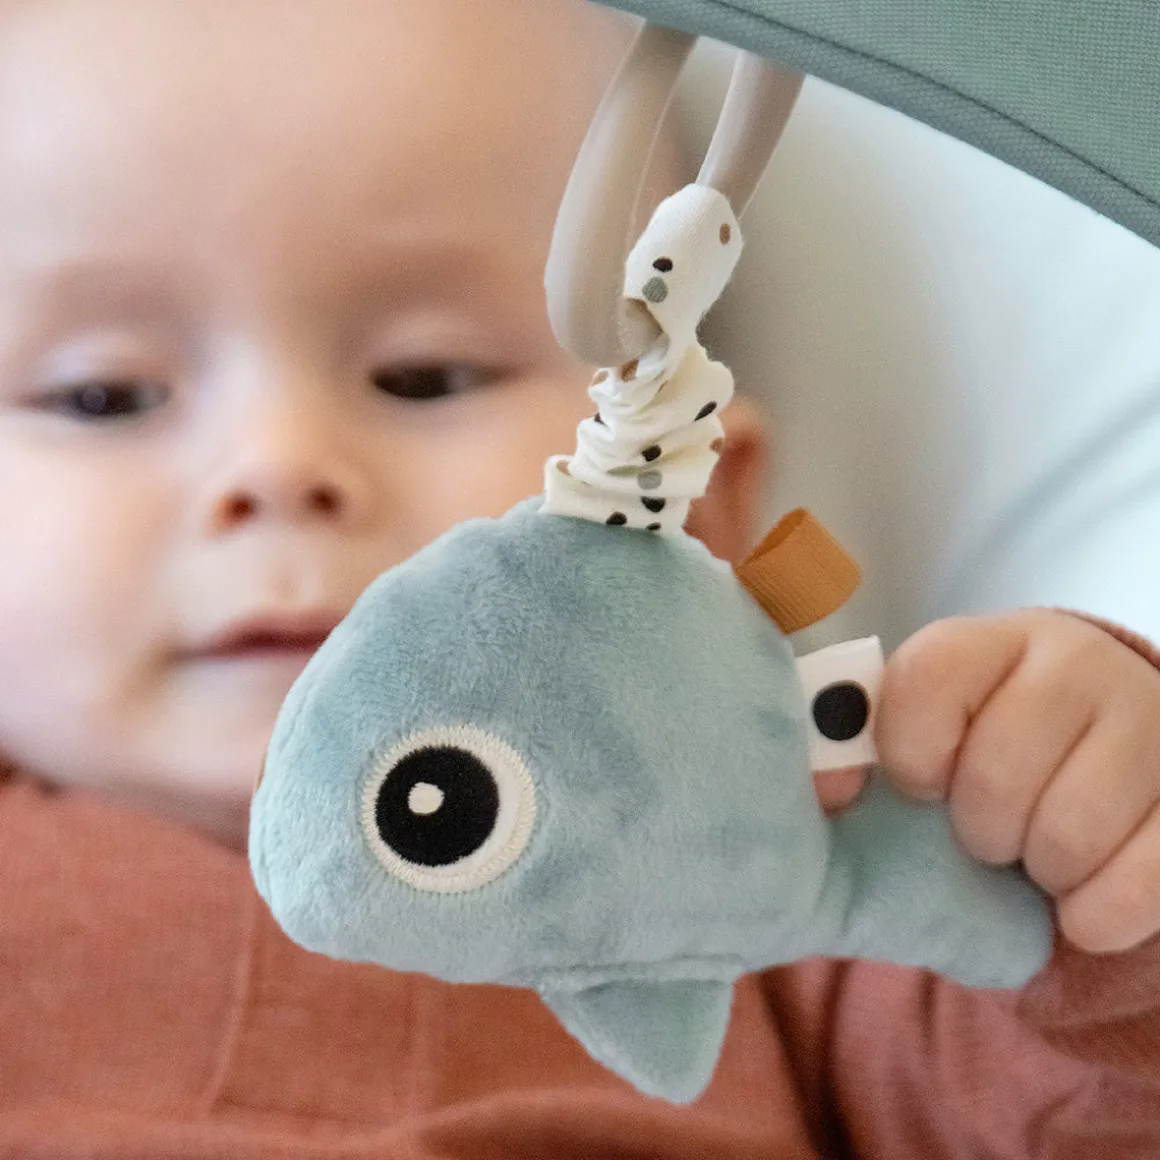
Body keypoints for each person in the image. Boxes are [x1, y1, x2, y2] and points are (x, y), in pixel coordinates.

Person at [0, 1, 1156, 1157]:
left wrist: (1092, 859)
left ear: (697, 497)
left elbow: (1081, 1117)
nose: (278, 466)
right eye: (104, 396)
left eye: (426, 375)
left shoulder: (768, 888)